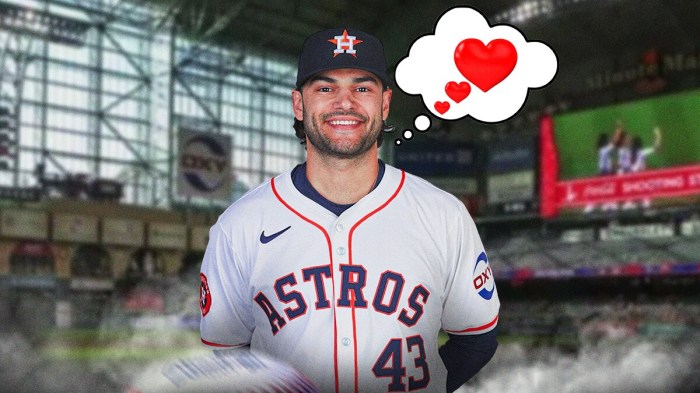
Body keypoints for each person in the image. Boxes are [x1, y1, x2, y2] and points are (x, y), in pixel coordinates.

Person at [199, 27, 499, 393]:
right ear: (299, 103)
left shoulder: (443, 215)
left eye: (362, 88)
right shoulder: (241, 224)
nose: (345, 103)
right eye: (325, 88)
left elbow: (476, 339)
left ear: (384, 103)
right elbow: (228, 352)